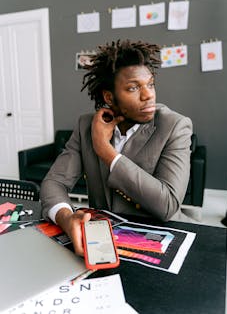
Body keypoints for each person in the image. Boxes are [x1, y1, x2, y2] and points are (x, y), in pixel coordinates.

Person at [40, 39, 193, 255]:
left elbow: (167, 204)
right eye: (133, 88)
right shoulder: (86, 125)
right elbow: (54, 182)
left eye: (150, 84)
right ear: (109, 97)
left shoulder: (174, 126)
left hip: (159, 237)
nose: (148, 94)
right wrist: (66, 217)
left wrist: (105, 151)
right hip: (103, 242)